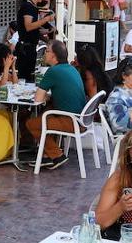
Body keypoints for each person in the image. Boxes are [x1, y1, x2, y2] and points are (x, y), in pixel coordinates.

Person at [24, 41, 86, 170]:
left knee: (31, 124)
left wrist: (43, 95)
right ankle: (46, 155)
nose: (44, 54)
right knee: (45, 113)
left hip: (71, 120)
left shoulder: (53, 71)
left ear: (54, 56)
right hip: (81, 118)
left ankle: (57, 156)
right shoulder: (71, 68)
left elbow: (37, 99)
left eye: (46, 51)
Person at [15, 0, 55, 81]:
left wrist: (46, 39)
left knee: (30, 75)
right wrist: (47, 18)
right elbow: (28, 26)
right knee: (25, 77)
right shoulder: (27, 7)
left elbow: (34, 30)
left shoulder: (34, 8)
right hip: (25, 48)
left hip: (31, 47)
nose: (45, 0)